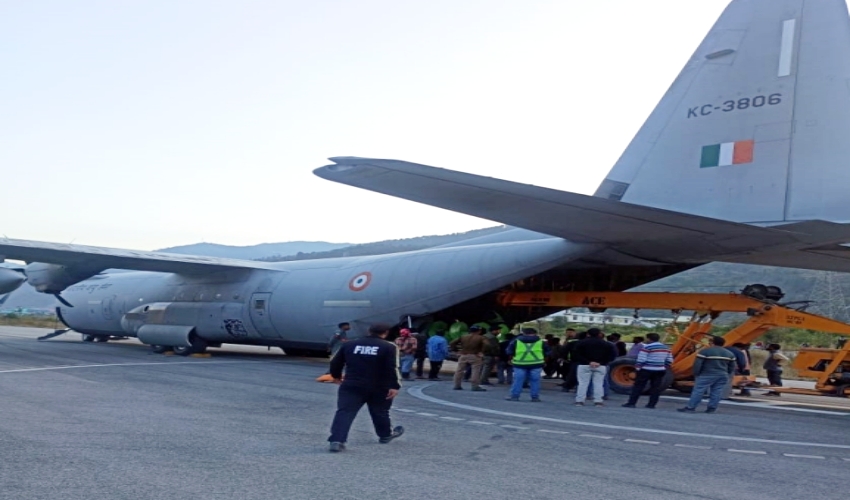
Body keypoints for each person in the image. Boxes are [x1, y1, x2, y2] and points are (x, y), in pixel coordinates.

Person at [327, 323, 404, 452]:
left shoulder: (349, 344)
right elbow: (393, 367)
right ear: (385, 333)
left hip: (352, 384)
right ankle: (385, 435)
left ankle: (337, 440)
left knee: (345, 412)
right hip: (379, 386)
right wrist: (394, 386)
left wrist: (336, 376)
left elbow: (335, 362)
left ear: (369, 331)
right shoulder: (389, 347)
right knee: (380, 412)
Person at [678, 336, 736, 413]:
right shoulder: (729, 354)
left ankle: (690, 407)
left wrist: (696, 373)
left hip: (706, 374)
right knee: (717, 391)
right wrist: (726, 373)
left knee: (698, 391)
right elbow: (732, 367)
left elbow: (698, 364)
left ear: (712, 342)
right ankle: (711, 408)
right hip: (722, 375)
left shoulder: (705, 352)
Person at [621, 333, 672, 409]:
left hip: (646, 369)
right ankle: (651, 404)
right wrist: (663, 366)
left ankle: (631, 403)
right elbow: (669, 360)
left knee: (638, 387)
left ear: (649, 339)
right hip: (659, 370)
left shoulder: (647, 347)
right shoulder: (666, 348)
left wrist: (638, 369)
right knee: (655, 388)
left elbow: (641, 359)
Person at [573, 328, 616, 406]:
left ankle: (580, 401)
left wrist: (589, 362)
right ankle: (598, 401)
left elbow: (576, 354)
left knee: (583, 383)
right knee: (599, 384)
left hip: (584, 365)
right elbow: (612, 356)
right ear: (599, 334)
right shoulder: (606, 344)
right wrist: (600, 362)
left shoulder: (581, 343)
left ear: (588, 334)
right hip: (600, 366)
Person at [505, 327, 549, 402]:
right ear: (535, 333)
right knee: (535, 381)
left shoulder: (516, 341)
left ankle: (514, 396)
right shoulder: (541, 342)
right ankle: (535, 397)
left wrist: (510, 360)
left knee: (518, 380)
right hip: (536, 364)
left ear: (523, 333)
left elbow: (509, 351)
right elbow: (548, 353)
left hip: (519, 363)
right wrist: (544, 361)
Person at [450, 325, 487, 391]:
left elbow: (452, 343)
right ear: (479, 331)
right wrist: (482, 351)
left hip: (463, 355)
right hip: (475, 355)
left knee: (459, 370)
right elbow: (488, 345)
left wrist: (456, 350)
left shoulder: (463, 337)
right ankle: (475, 386)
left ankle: (457, 385)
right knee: (475, 371)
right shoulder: (481, 338)